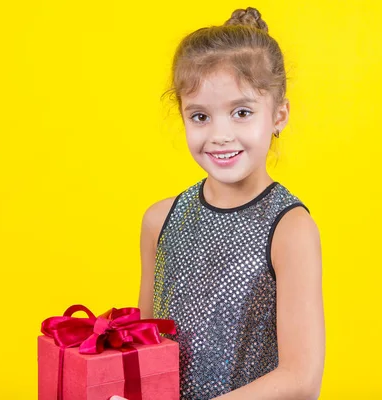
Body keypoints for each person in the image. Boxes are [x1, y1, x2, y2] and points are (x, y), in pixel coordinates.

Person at [112, 6, 324, 400]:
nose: (220, 135)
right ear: (182, 115)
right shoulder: (160, 220)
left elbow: (301, 379)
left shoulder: (289, 228)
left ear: (279, 115)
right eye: (200, 116)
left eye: (242, 112)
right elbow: (144, 347)